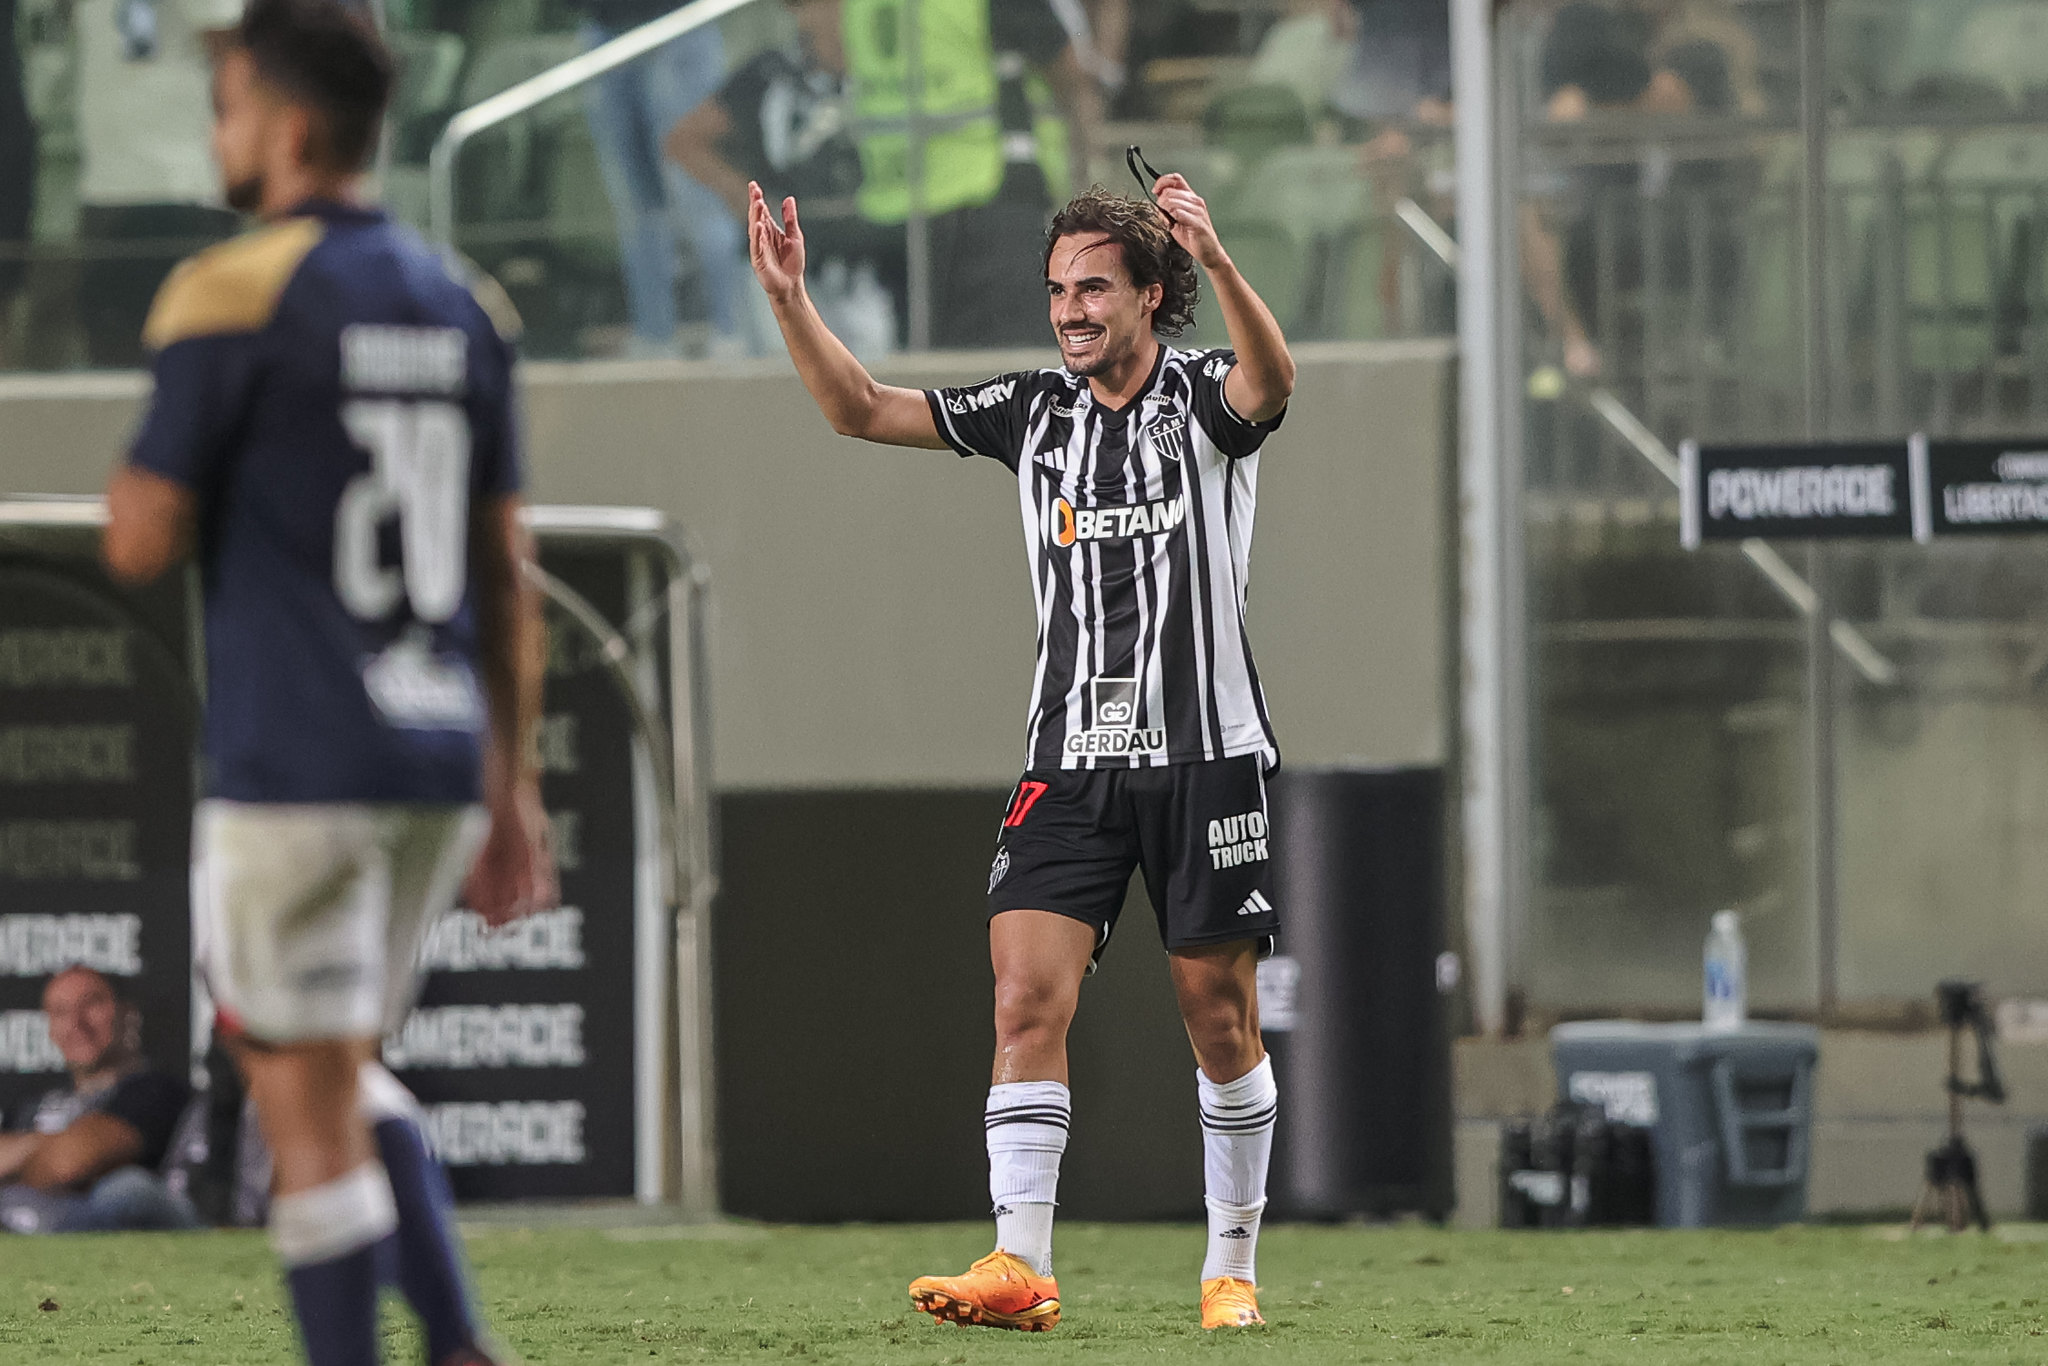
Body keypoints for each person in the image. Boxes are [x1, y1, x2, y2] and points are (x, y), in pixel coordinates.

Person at [747, 165, 1294, 1330]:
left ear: (1152, 294)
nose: (1070, 311)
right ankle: (1019, 1262)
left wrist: (1225, 256)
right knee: (1020, 998)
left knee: (1215, 1014)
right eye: (1056, 290)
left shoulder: (1203, 400)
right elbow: (858, 409)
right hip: (1068, 761)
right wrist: (790, 298)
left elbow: (1273, 379)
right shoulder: (1029, 411)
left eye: (1094, 288)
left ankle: (1230, 1266)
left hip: (1206, 755)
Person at [99, 3, 555, 1365]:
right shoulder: (465, 302)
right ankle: (461, 1341)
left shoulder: (229, 288)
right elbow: (510, 570)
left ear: (287, 124)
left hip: (294, 756)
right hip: (429, 756)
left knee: (302, 1113)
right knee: (337, 1066)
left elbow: (138, 537)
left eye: (226, 105)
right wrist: (512, 779)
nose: (216, 132)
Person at [841, 0, 1102, 349]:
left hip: (899, 209)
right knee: (1012, 372)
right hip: (991, 199)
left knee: (934, 379)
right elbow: (1070, 75)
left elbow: (830, 52)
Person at [666, 0, 896, 358]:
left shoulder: (885, 75)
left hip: (868, 265)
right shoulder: (771, 74)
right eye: (807, 7)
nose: (824, 15)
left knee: (874, 383)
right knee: (786, 381)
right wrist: (741, 195)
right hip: (783, 262)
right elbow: (683, 141)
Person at [74, 0, 247, 367]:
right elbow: (238, 48)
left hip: (148, 190)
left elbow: (234, 48)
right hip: (157, 189)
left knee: (128, 378)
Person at [571, 0, 746, 358]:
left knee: (699, 191)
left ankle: (734, 332)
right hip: (604, 29)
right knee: (636, 205)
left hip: (681, 24)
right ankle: (654, 337)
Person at [0, 966, 197, 1233]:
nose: (77, 1023)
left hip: (142, 1234)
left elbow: (70, 1163)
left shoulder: (156, 1090)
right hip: (40, 1220)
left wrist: (21, 1161)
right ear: (49, 1028)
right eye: (60, 1012)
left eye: (91, 1004)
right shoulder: (33, 1105)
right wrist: (48, 1152)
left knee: (124, 1190)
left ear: (126, 1014)